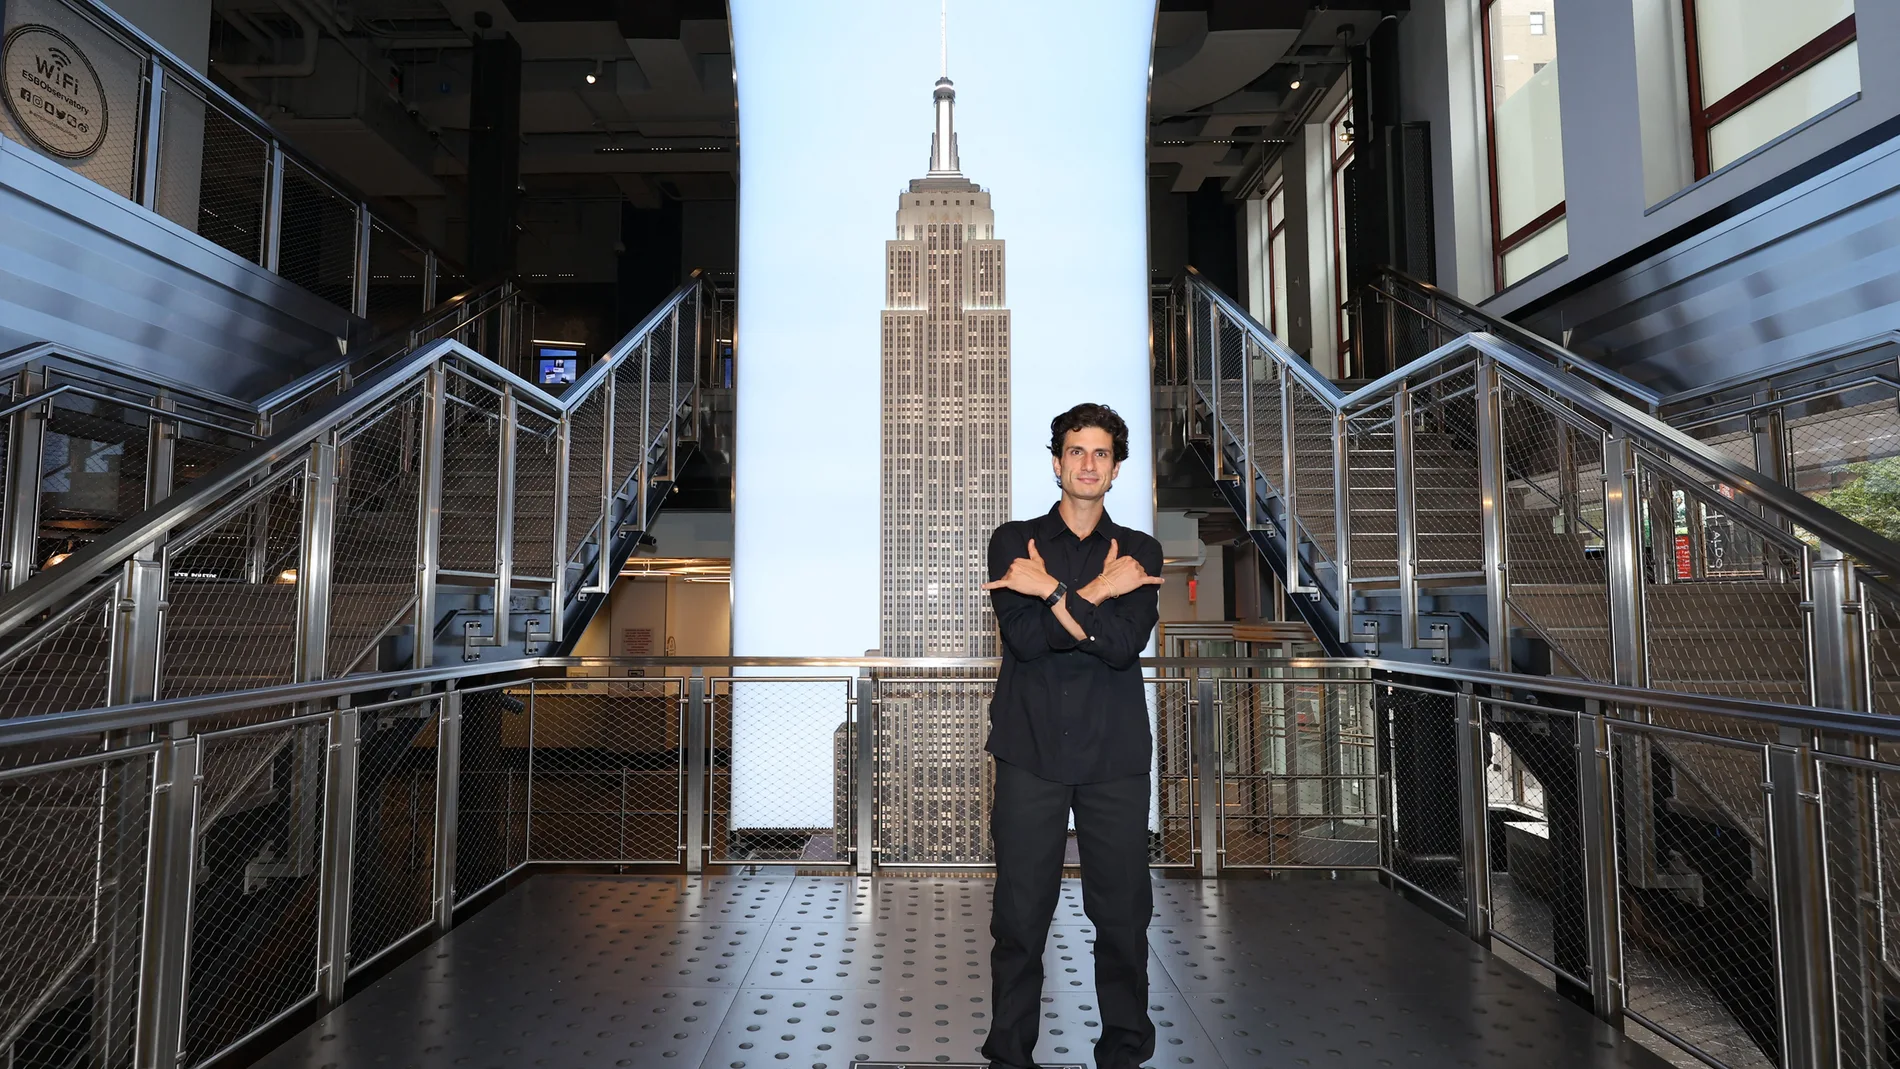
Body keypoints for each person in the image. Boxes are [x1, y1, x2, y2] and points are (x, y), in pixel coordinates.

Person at [978, 402, 1165, 1069]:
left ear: (1115, 467)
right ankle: (1009, 1055)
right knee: (1020, 919)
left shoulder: (1141, 552)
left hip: (1114, 756)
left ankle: (1122, 1053)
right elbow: (1026, 642)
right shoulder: (1013, 542)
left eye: (1102, 453)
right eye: (1077, 451)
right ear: (1057, 462)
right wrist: (1094, 593)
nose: (1089, 463)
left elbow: (1120, 648)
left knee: (1121, 919)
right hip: (1031, 751)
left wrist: (1053, 593)